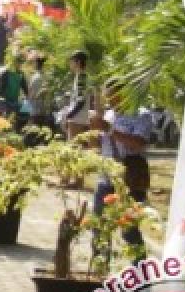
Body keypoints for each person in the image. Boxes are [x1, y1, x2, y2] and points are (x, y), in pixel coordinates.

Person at [89, 80, 152, 252]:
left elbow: (138, 143)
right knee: (99, 228)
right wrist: (92, 129)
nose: (110, 99)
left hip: (129, 180)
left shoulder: (141, 114)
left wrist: (110, 130)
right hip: (106, 179)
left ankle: (140, 274)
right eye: (107, 94)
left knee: (129, 231)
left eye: (113, 94)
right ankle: (99, 271)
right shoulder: (108, 115)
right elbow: (96, 145)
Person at [62, 50, 91, 140]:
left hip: (77, 120)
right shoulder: (81, 76)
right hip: (81, 118)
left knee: (74, 147)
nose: (70, 64)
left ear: (78, 62)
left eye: (71, 61)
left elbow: (80, 101)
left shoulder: (81, 77)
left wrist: (68, 116)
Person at [0, 54, 27, 125]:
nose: (20, 65)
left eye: (21, 63)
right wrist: (1, 97)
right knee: (5, 118)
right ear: (14, 62)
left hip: (14, 100)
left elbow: (25, 88)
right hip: (5, 100)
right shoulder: (6, 72)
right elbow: (0, 86)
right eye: (19, 63)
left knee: (12, 118)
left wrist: (28, 97)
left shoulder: (21, 74)